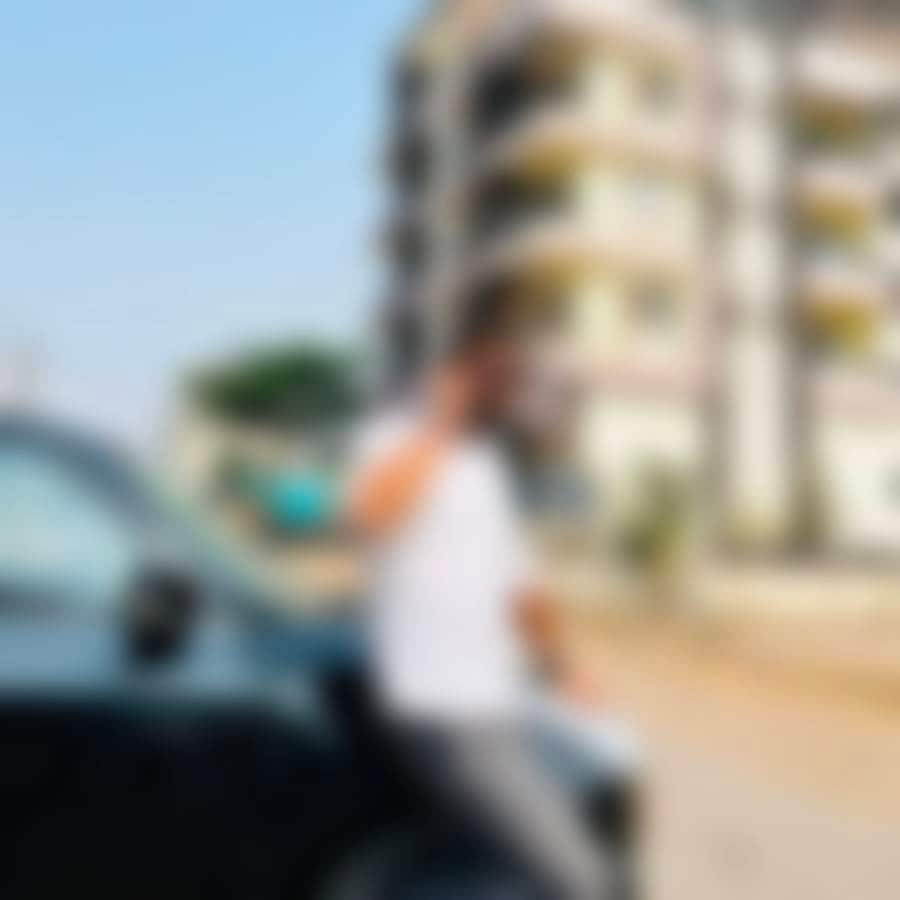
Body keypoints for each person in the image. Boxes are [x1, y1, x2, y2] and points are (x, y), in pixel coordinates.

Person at [345, 302, 611, 899]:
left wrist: (565, 669)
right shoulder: (393, 440)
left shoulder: (485, 468)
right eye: (488, 372)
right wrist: (440, 425)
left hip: (494, 705)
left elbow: (520, 589)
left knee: (495, 873)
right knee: (579, 880)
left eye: (508, 377)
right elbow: (370, 517)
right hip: (436, 704)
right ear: (452, 372)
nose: (501, 388)